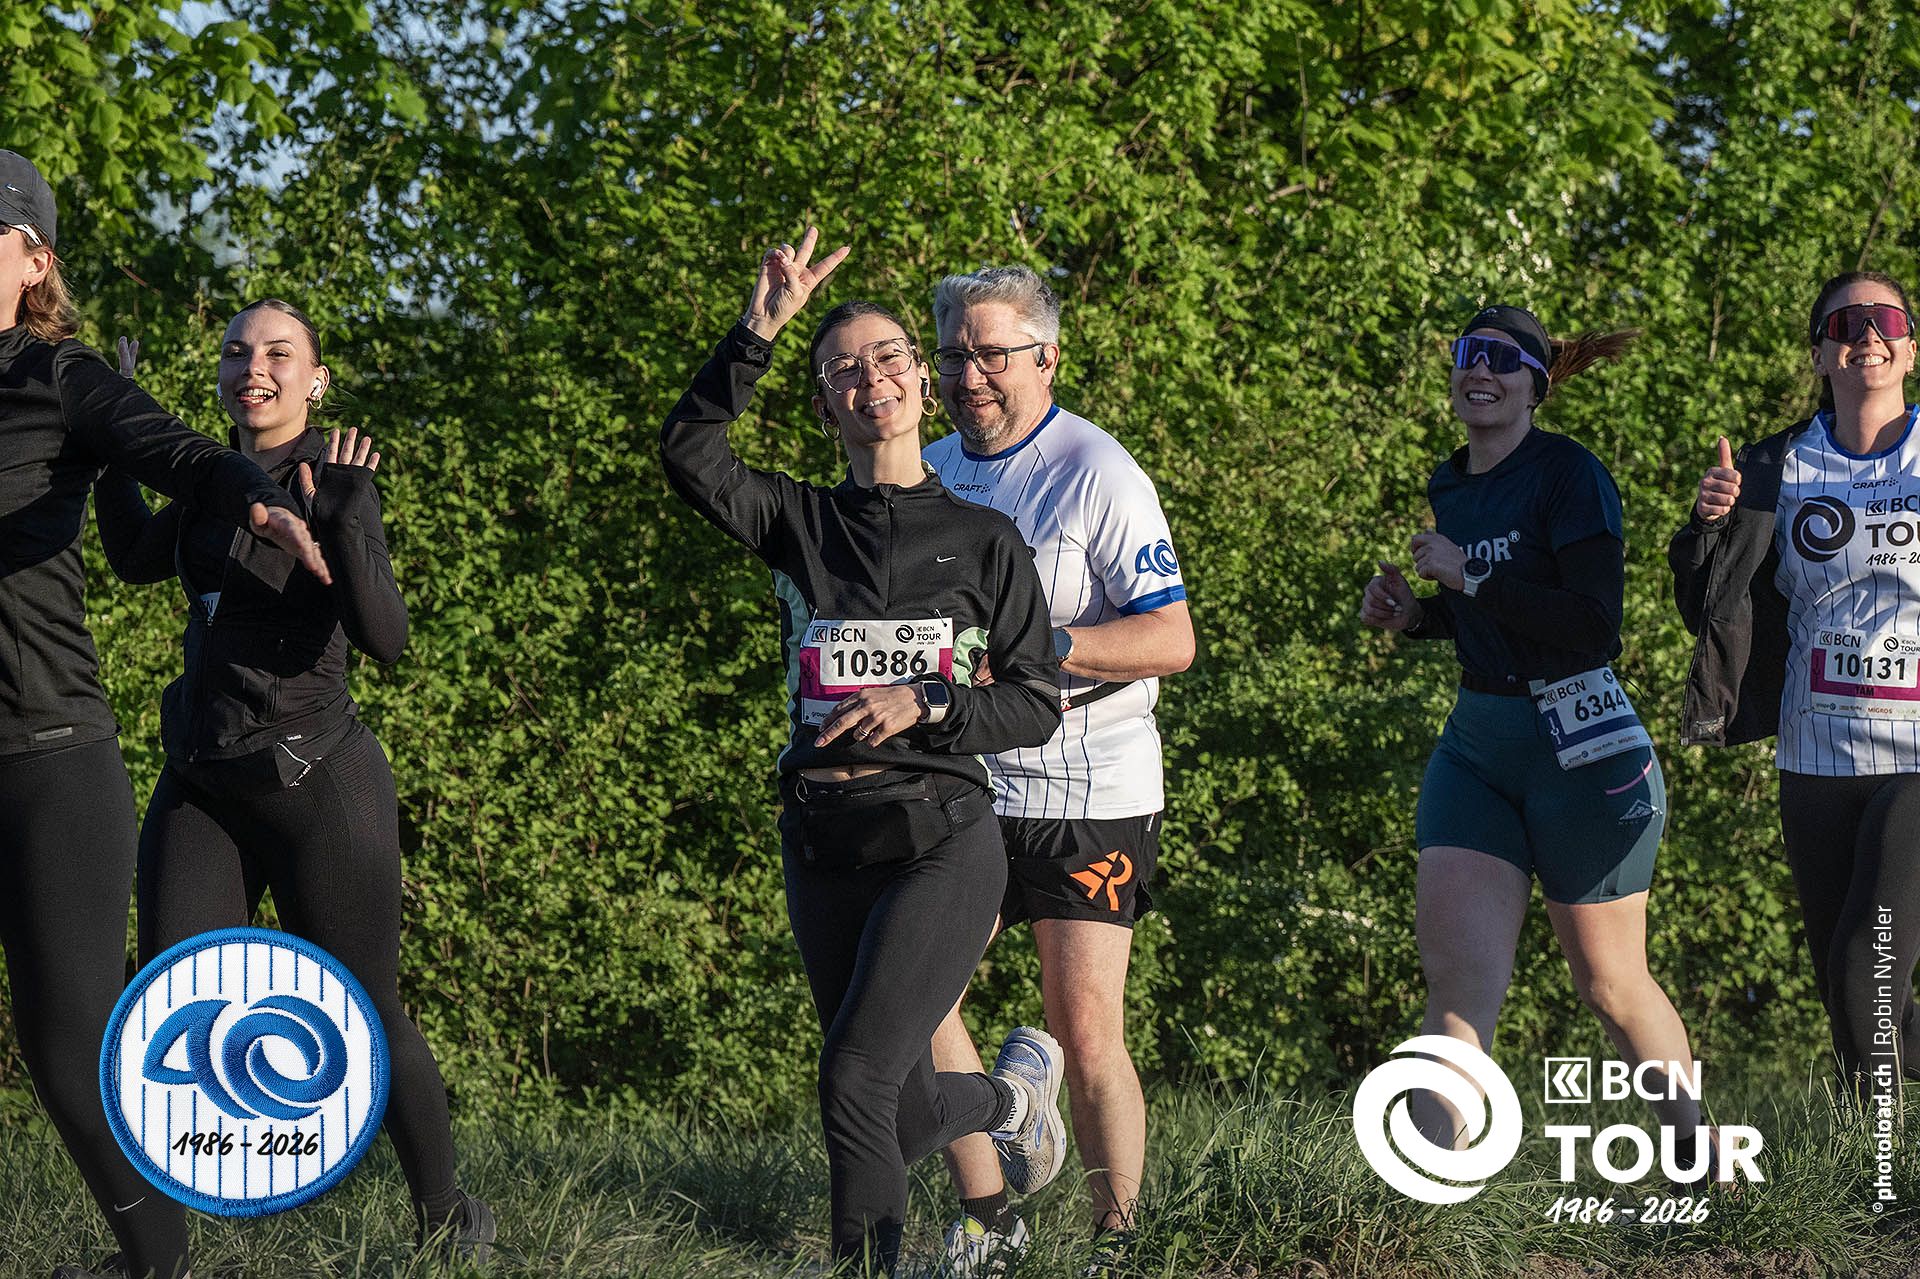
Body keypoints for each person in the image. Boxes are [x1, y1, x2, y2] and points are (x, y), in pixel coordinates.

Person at [658, 228, 1071, 1276]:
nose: (869, 377)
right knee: (892, 1102)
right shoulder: (796, 520)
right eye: (843, 369)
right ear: (825, 404)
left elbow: (1036, 702)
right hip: (823, 841)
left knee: (853, 1081)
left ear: (923, 382)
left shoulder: (985, 541)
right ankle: (1010, 1101)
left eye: (889, 357)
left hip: (941, 838)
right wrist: (759, 327)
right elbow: (688, 452)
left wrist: (925, 698)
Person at [96, 300, 494, 1263]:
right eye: (237, 351)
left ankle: (450, 1219)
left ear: (316, 381)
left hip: (319, 785)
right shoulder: (210, 478)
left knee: (366, 1006)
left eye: (279, 353)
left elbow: (387, 640)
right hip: (204, 781)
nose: (254, 368)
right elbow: (133, 557)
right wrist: (109, 449)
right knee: (165, 1015)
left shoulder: (334, 480)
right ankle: (156, 1257)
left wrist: (348, 521)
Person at [0, 148, 330, 1279]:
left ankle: (156, 1258)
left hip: (46, 754)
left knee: (67, 1050)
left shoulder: (58, 376)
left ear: (32, 261)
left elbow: (177, 453)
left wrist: (259, 500)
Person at [1360, 305, 1715, 1171]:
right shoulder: (1451, 482)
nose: (1479, 369)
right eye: (1467, 353)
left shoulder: (1569, 473)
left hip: (1581, 751)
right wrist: (1416, 617)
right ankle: (1433, 1190)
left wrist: (1471, 576)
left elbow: (1593, 626)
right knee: (1458, 987)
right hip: (1478, 747)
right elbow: (1483, 618)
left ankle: (1704, 1165)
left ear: (1535, 385)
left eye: (1501, 359)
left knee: (1610, 983)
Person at [921, 266, 1193, 1277]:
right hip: (967, 782)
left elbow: (1172, 638)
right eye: (954, 355)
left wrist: (1041, 648)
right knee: (914, 996)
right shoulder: (930, 471)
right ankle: (991, 1217)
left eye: (992, 354)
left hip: (1091, 786)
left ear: (1047, 357)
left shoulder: (1098, 471)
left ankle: (1118, 1246)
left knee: (1086, 1027)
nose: (970, 376)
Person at [1670, 270, 1920, 1099]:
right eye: (1845, 323)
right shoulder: (1774, 468)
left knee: (1861, 969)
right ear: (1819, 354)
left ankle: (1879, 1171)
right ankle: (1864, 1162)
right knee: (1857, 1007)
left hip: (1916, 760)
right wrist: (1708, 528)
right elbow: (1706, 609)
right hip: (1814, 760)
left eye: (1886, 320)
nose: (1867, 334)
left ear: (1910, 348)